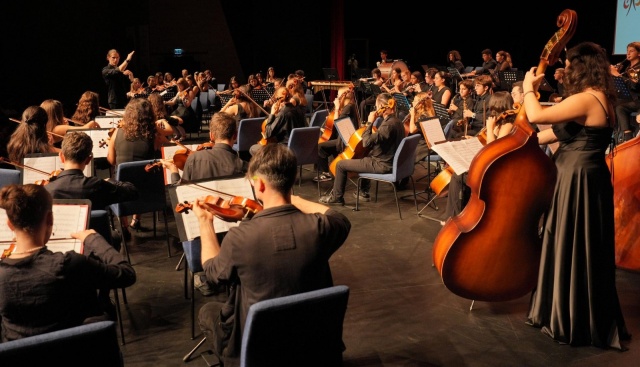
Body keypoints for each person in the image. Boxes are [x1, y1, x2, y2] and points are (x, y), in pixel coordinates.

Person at [192, 143, 351, 362]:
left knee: (207, 312)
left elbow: (212, 272)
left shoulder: (240, 238)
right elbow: (339, 218)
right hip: (314, 342)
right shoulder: (321, 228)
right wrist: (292, 200)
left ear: (259, 185)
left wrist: (204, 222)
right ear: (293, 179)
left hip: (263, 349)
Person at [523, 41, 629, 350]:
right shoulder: (598, 97)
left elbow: (537, 114)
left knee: (572, 240)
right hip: (586, 177)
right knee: (579, 244)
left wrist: (530, 87)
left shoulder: (587, 98)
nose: (565, 69)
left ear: (581, 67)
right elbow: (557, 131)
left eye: (570, 64)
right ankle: (572, 312)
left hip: (577, 179)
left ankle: (569, 318)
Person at [0, 183, 136, 342]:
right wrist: (94, 238)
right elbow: (126, 274)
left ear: (9, 224)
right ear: (50, 218)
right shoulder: (70, 264)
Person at [319, 92, 404, 204]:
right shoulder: (398, 122)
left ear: (382, 107)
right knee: (366, 155)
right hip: (390, 161)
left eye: (377, 106)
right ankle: (363, 192)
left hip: (382, 164)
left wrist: (369, 122)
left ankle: (336, 198)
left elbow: (366, 142)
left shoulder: (388, 125)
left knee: (341, 165)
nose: (376, 109)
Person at [444, 91, 516, 218]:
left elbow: (493, 150)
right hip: (489, 166)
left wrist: (490, 127)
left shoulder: (508, 125)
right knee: (459, 172)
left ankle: (454, 218)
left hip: (495, 171)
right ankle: (461, 214)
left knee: (458, 176)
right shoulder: (500, 122)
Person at [45, 131, 139, 211]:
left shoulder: (47, 190)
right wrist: (109, 181)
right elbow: (132, 191)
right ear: (89, 160)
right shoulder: (96, 185)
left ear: (61, 157)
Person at [106, 98, 156, 235]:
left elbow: (111, 160)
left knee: (119, 176)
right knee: (141, 175)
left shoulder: (117, 132)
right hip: (149, 193)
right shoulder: (153, 134)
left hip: (122, 192)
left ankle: (124, 226)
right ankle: (136, 220)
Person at [315, 86, 359, 182]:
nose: (336, 98)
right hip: (344, 138)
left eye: (338, 96)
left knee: (320, 147)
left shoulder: (348, 107)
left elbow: (338, 122)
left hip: (345, 141)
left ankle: (326, 173)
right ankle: (334, 168)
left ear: (343, 97)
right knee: (327, 142)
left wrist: (337, 107)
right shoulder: (349, 106)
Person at [248, 86, 306, 156]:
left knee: (253, 148)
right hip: (299, 148)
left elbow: (267, 134)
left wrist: (272, 114)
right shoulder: (299, 110)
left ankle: (271, 166)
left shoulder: (283, 114)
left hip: (284, 150)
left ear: (278, 100)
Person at [610, 41, 640, 142]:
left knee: (619, 106)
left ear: (639, 53)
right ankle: (627, 137)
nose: (628, 53)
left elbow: (634, 86)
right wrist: (617, 74)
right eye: (627, 51)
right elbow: (625, 86)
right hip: (633, 100)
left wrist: (618, 75)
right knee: (618, 107)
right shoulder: (628, 68)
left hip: (638, 100)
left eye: (631, 51)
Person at [450, 75, 492, 139]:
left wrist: (472, 115)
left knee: (458, 136)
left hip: (480, 130)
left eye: (478, 86)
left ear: (486, 88)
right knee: (452, 130)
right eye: (475, 86)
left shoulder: (490, 100)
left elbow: (488, 118)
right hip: (473, 127)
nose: (475, 88)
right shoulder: (478, 98)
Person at [406, 91, 437, 163]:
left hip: (425, 145)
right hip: (423, 142)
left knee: (406, 152)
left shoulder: (424, 117)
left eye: (415, 101)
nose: (412, 102)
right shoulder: (426, 113)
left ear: (420, 104)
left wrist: (413, 115)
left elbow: (412, 130)